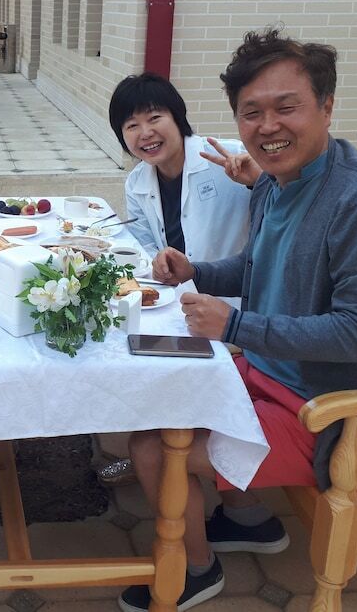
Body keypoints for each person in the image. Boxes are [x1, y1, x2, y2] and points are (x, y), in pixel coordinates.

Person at [118, 28, 357, 612]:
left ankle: (195, 570)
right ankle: (249, 521)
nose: (267, 126)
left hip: (337, 412)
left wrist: (234, 329)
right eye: (251, 112)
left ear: (326, 106)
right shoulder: (274, 184)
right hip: (268, 373)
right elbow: (256, 266)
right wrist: (196, 271)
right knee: (153, 393)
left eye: (287, 107)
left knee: (153, 448)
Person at [97, 72, 258, 488]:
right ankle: (152, 451)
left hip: (235, 313)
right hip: (181, 302)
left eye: (155, 118)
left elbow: (283, 200)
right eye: (131, 125)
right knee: (122, 337)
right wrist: (157, 262)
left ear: (178, 118)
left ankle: (161, 453)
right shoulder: (138, 180)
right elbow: (146, 245)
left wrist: (257, 180)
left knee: (141, 358)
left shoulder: (227, 159)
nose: (145, 133)